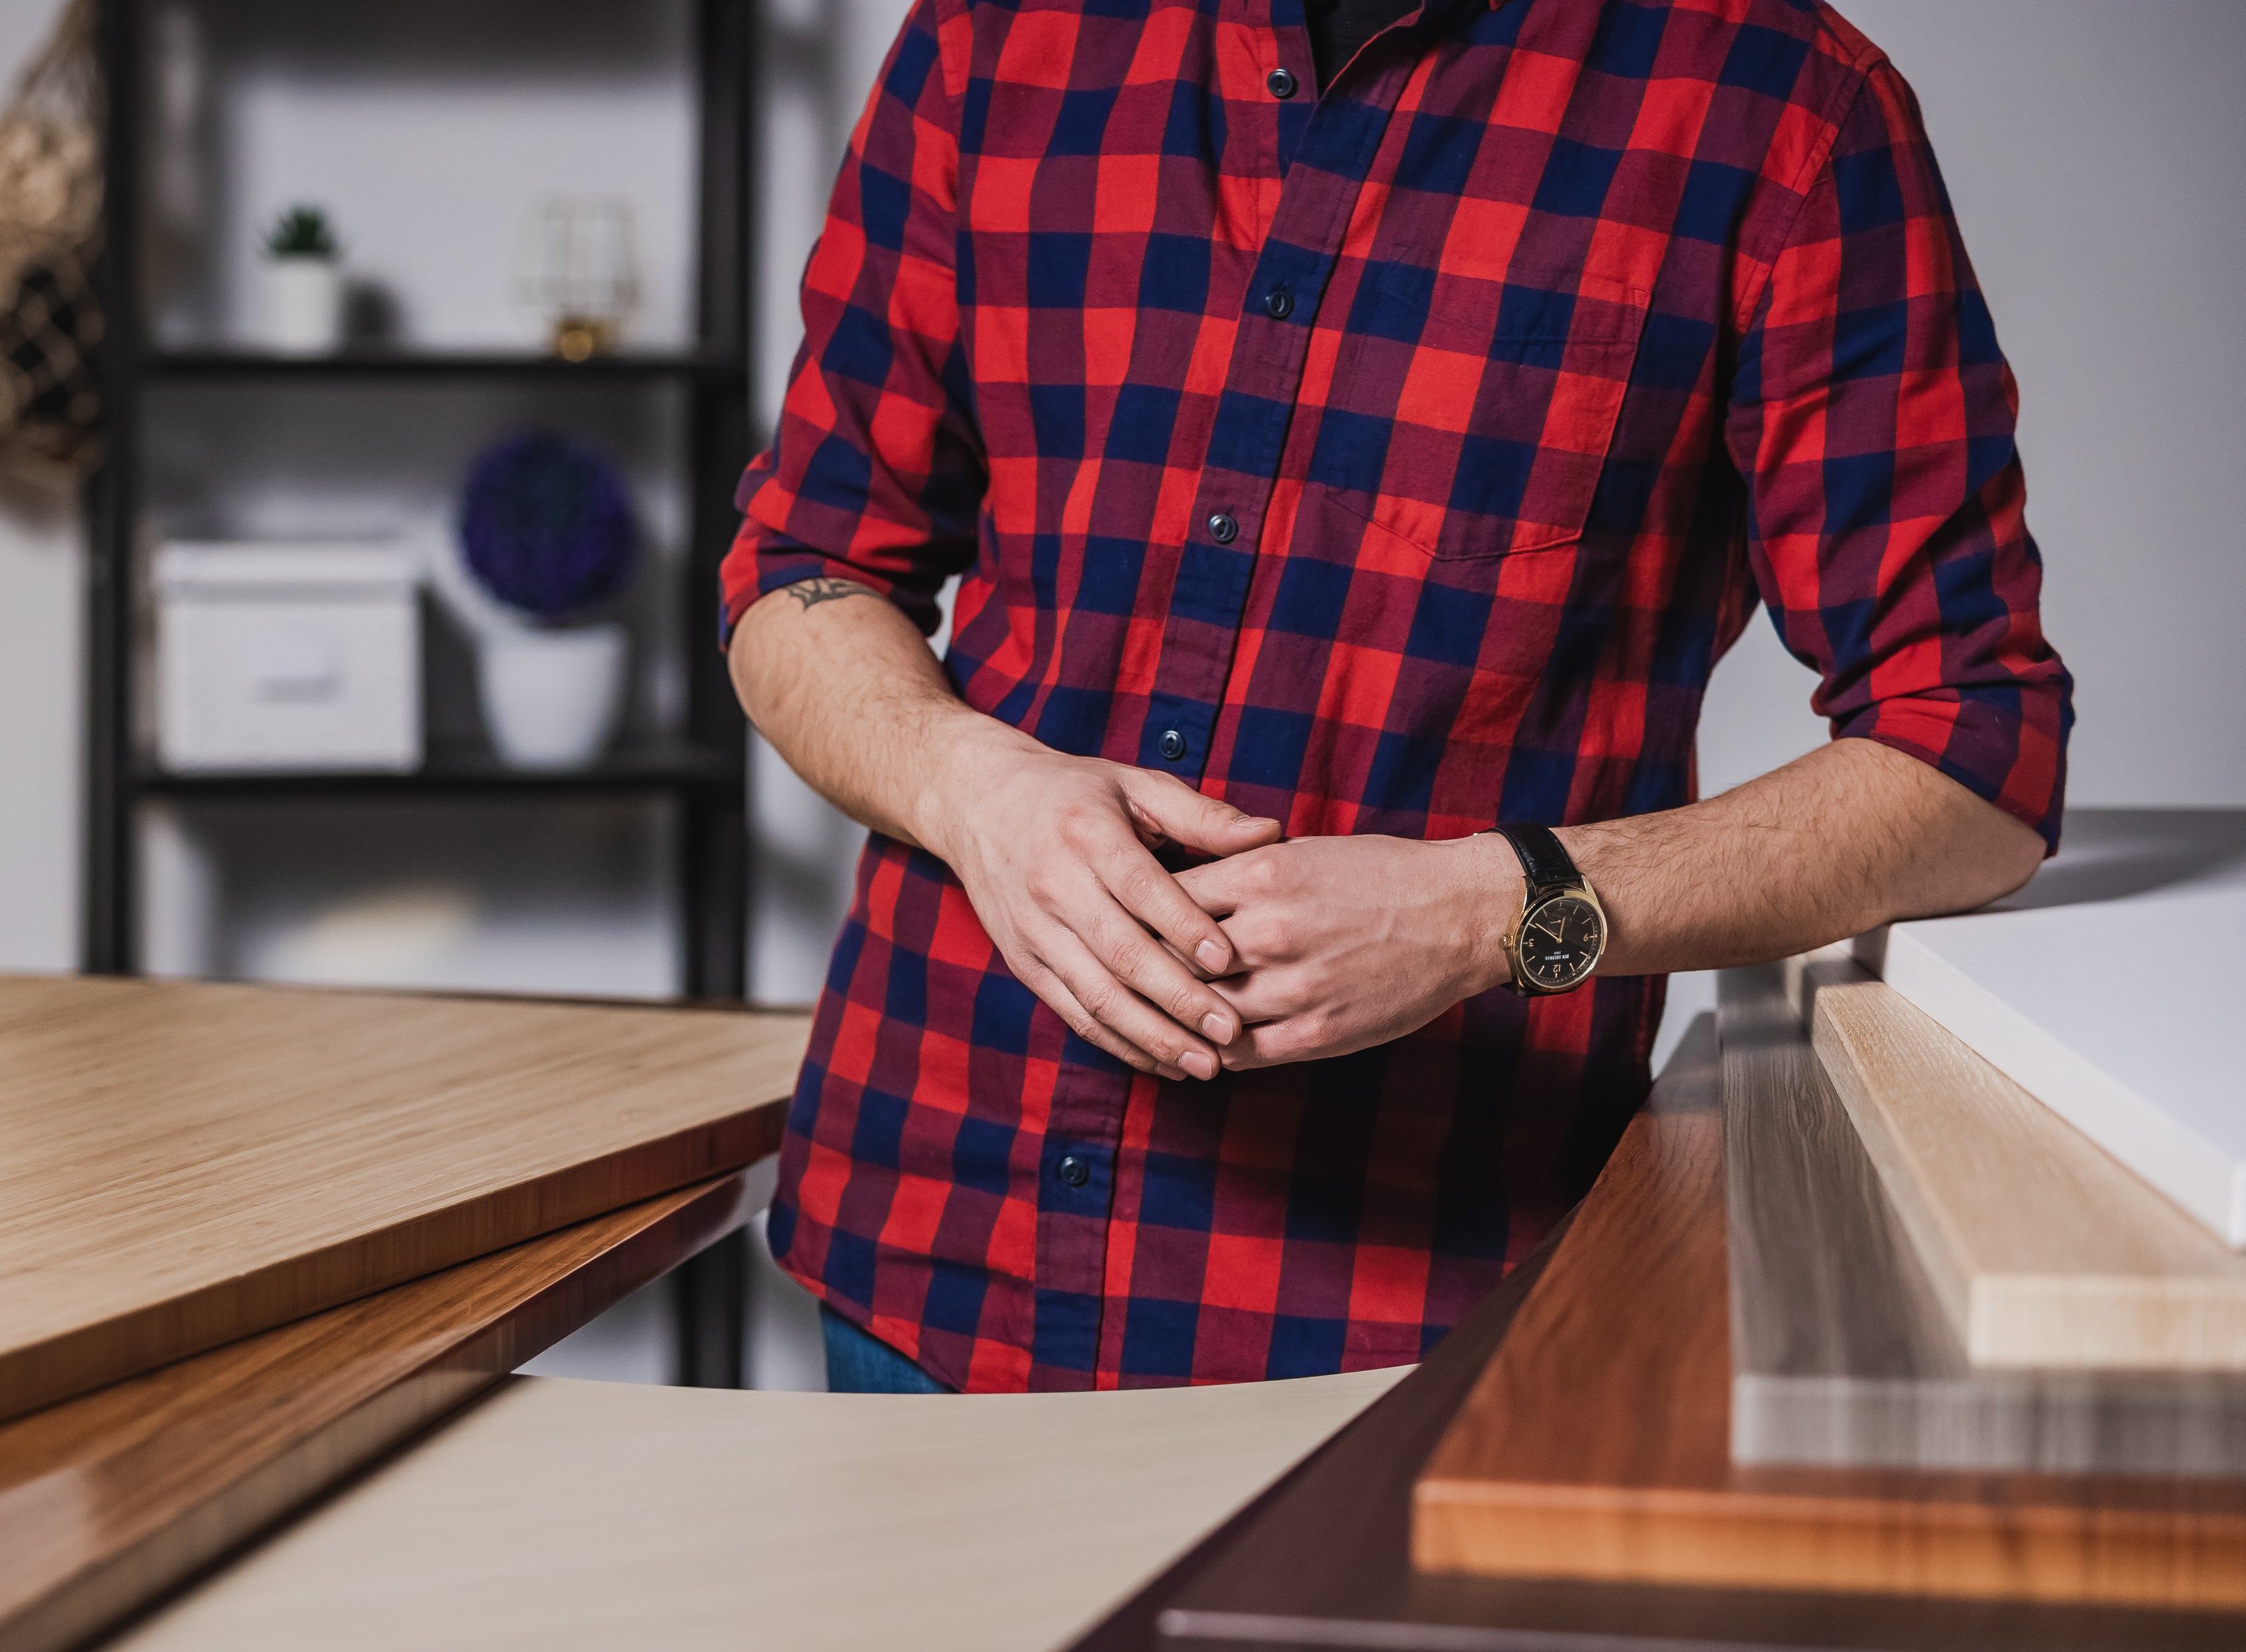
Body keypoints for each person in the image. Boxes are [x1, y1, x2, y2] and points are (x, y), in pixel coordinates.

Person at [724, 0, 2071, 1393]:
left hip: (1404, 1310)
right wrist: (973, 789)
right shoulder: (994, 38)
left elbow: (1976, 758)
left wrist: (1491, 908)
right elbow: (803, 568)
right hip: (933, 1239)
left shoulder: (1780, 105)